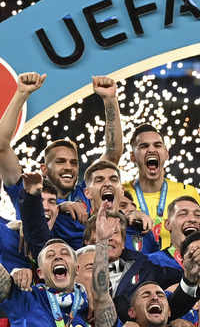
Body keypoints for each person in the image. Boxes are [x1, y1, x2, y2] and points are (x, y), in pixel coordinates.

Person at [0, 73, 123, 249]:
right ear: (44, 169)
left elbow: (113, 153)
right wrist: (21, 94)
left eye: (74, 163)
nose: (69, 167)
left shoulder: (86, 193)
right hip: (33, 271)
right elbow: (2, 145)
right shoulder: (26, 192)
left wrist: (110, 99)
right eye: (60, 162)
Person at [123, 124, 200, 249]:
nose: (151, 150)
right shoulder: (122, 194)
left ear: (166, 153)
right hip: (136, 266)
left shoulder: (187, 192)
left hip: (176, 266)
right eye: (144, 146)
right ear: (132, 157)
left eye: (157, 145)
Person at [147, 196, 200, 271]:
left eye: (198, 215)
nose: (192, 219)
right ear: (168, 224)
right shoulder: (152, 261)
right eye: (183, 214)